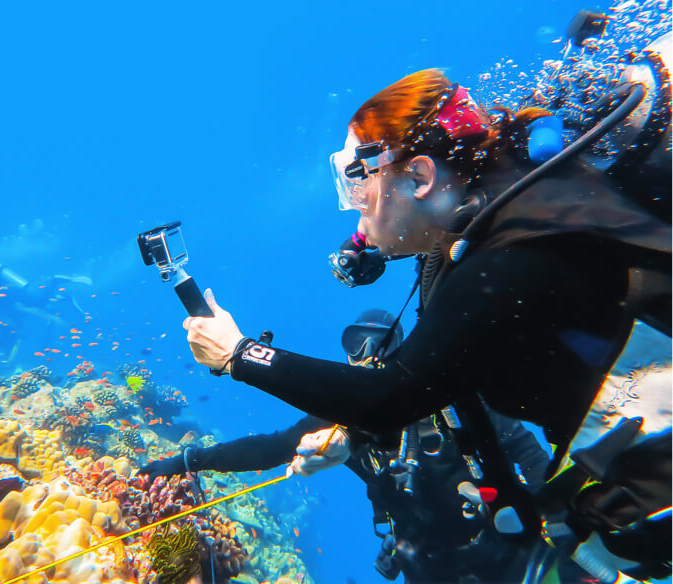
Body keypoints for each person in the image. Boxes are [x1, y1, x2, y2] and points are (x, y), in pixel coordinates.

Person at [182, 69, 671, 580]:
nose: (354, 211)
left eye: (358, 184)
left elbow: (392, 397)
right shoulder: (484, 232)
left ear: (419, 177)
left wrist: (239, 354)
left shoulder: (508, 257)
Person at [143, 310, 553, 582]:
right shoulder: (343, 418)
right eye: (353, 347)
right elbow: (272, 449)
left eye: (373, 343)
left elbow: (530, 455)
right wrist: (188, 460)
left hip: (508, 557)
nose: (362, 356)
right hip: (426, 568)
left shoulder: (457, 403)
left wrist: (559, 522)